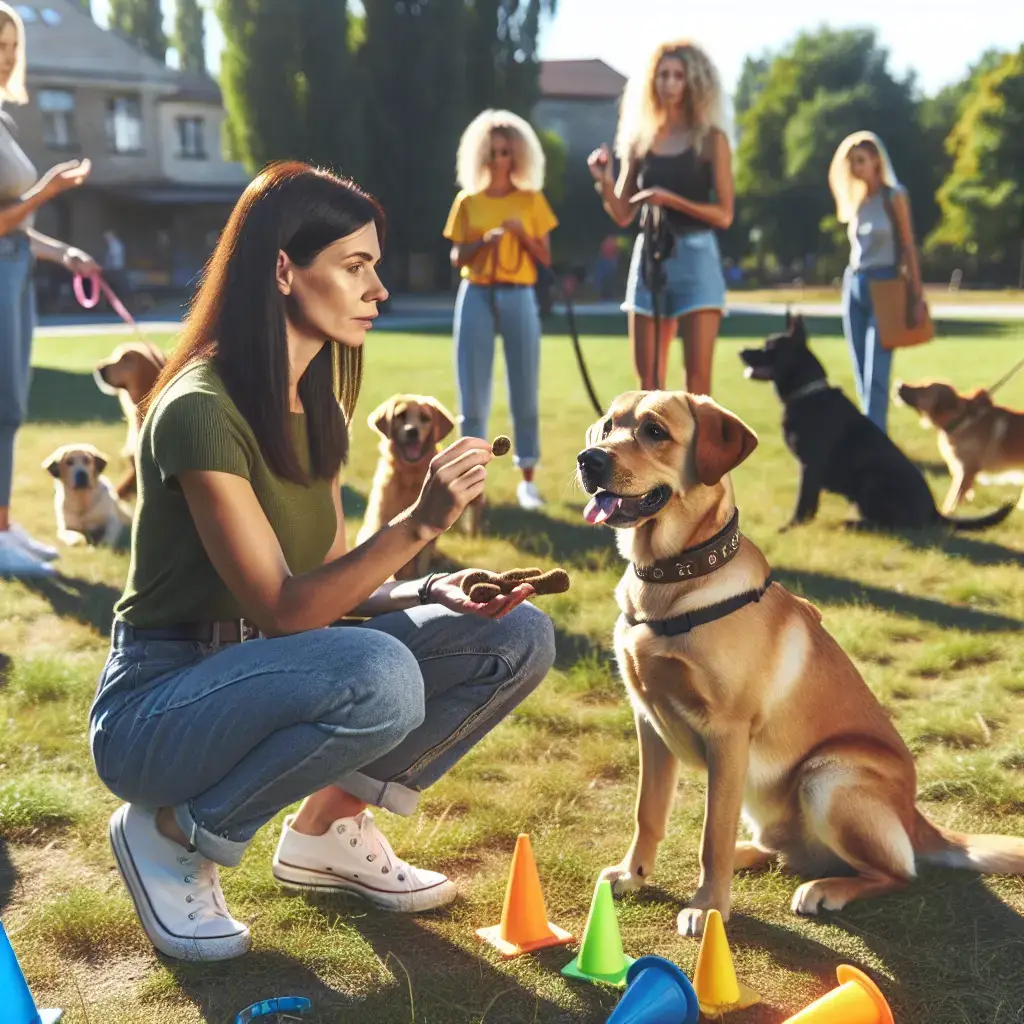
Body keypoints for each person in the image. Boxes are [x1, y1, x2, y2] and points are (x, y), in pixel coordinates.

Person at [88, 162, 556, 962]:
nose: (376, 290)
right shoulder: (199, 408)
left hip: (269, 663)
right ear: (281, 269)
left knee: (520, 638)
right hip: (159, 705)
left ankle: (327, 829)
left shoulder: (319, 406)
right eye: (356, 266)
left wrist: (437, 586)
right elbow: (283, 607)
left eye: (374, 267)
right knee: (381, 674)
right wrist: (420, 522)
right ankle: (175, 831)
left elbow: (337, 587)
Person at [0, 0, 97, 577]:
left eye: (11, 48)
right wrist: (47, 191)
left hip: (16, 268)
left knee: (11, 407)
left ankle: (6, 524)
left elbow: (14, 228)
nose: (5, 57)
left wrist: (63, 252)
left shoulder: (4, 120)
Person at [587, 39, 733, 394]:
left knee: (698, 385)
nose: (669, 83)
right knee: (648, 383)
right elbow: (623, 214)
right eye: (663, 75)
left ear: (692, 82)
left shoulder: (711, 140)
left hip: (697, 257)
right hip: (650, 257)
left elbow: (724, 214)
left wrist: (671, 200)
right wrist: (604, 181)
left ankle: (694, 452)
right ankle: (650, 451)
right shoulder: (641, 140)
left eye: (677, 76)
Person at [443, 109, 558, 511]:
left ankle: (527, 479)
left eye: (505, 151)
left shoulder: (530, 200)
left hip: (519, 294)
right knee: (471, 395)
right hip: (476, 291)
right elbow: (457, 256)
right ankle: (471, 486)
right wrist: (484, 242)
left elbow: (545, 256)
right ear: (481, 156)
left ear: (518, 155)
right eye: (491, 152)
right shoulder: (468, 202)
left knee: (524, 389)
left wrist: (521, 235)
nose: (498, 159)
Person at [829, 131, 926, 432]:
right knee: (860, 371)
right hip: (854, 284)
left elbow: (908, 246)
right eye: (852, 163)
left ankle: (876, 442)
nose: (856, 168)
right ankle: (870, 436)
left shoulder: (894, 196)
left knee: (877, 373)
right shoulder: (858, 201)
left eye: (861, 161)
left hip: (886, 286)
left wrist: (917, 295)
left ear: (876, 161)